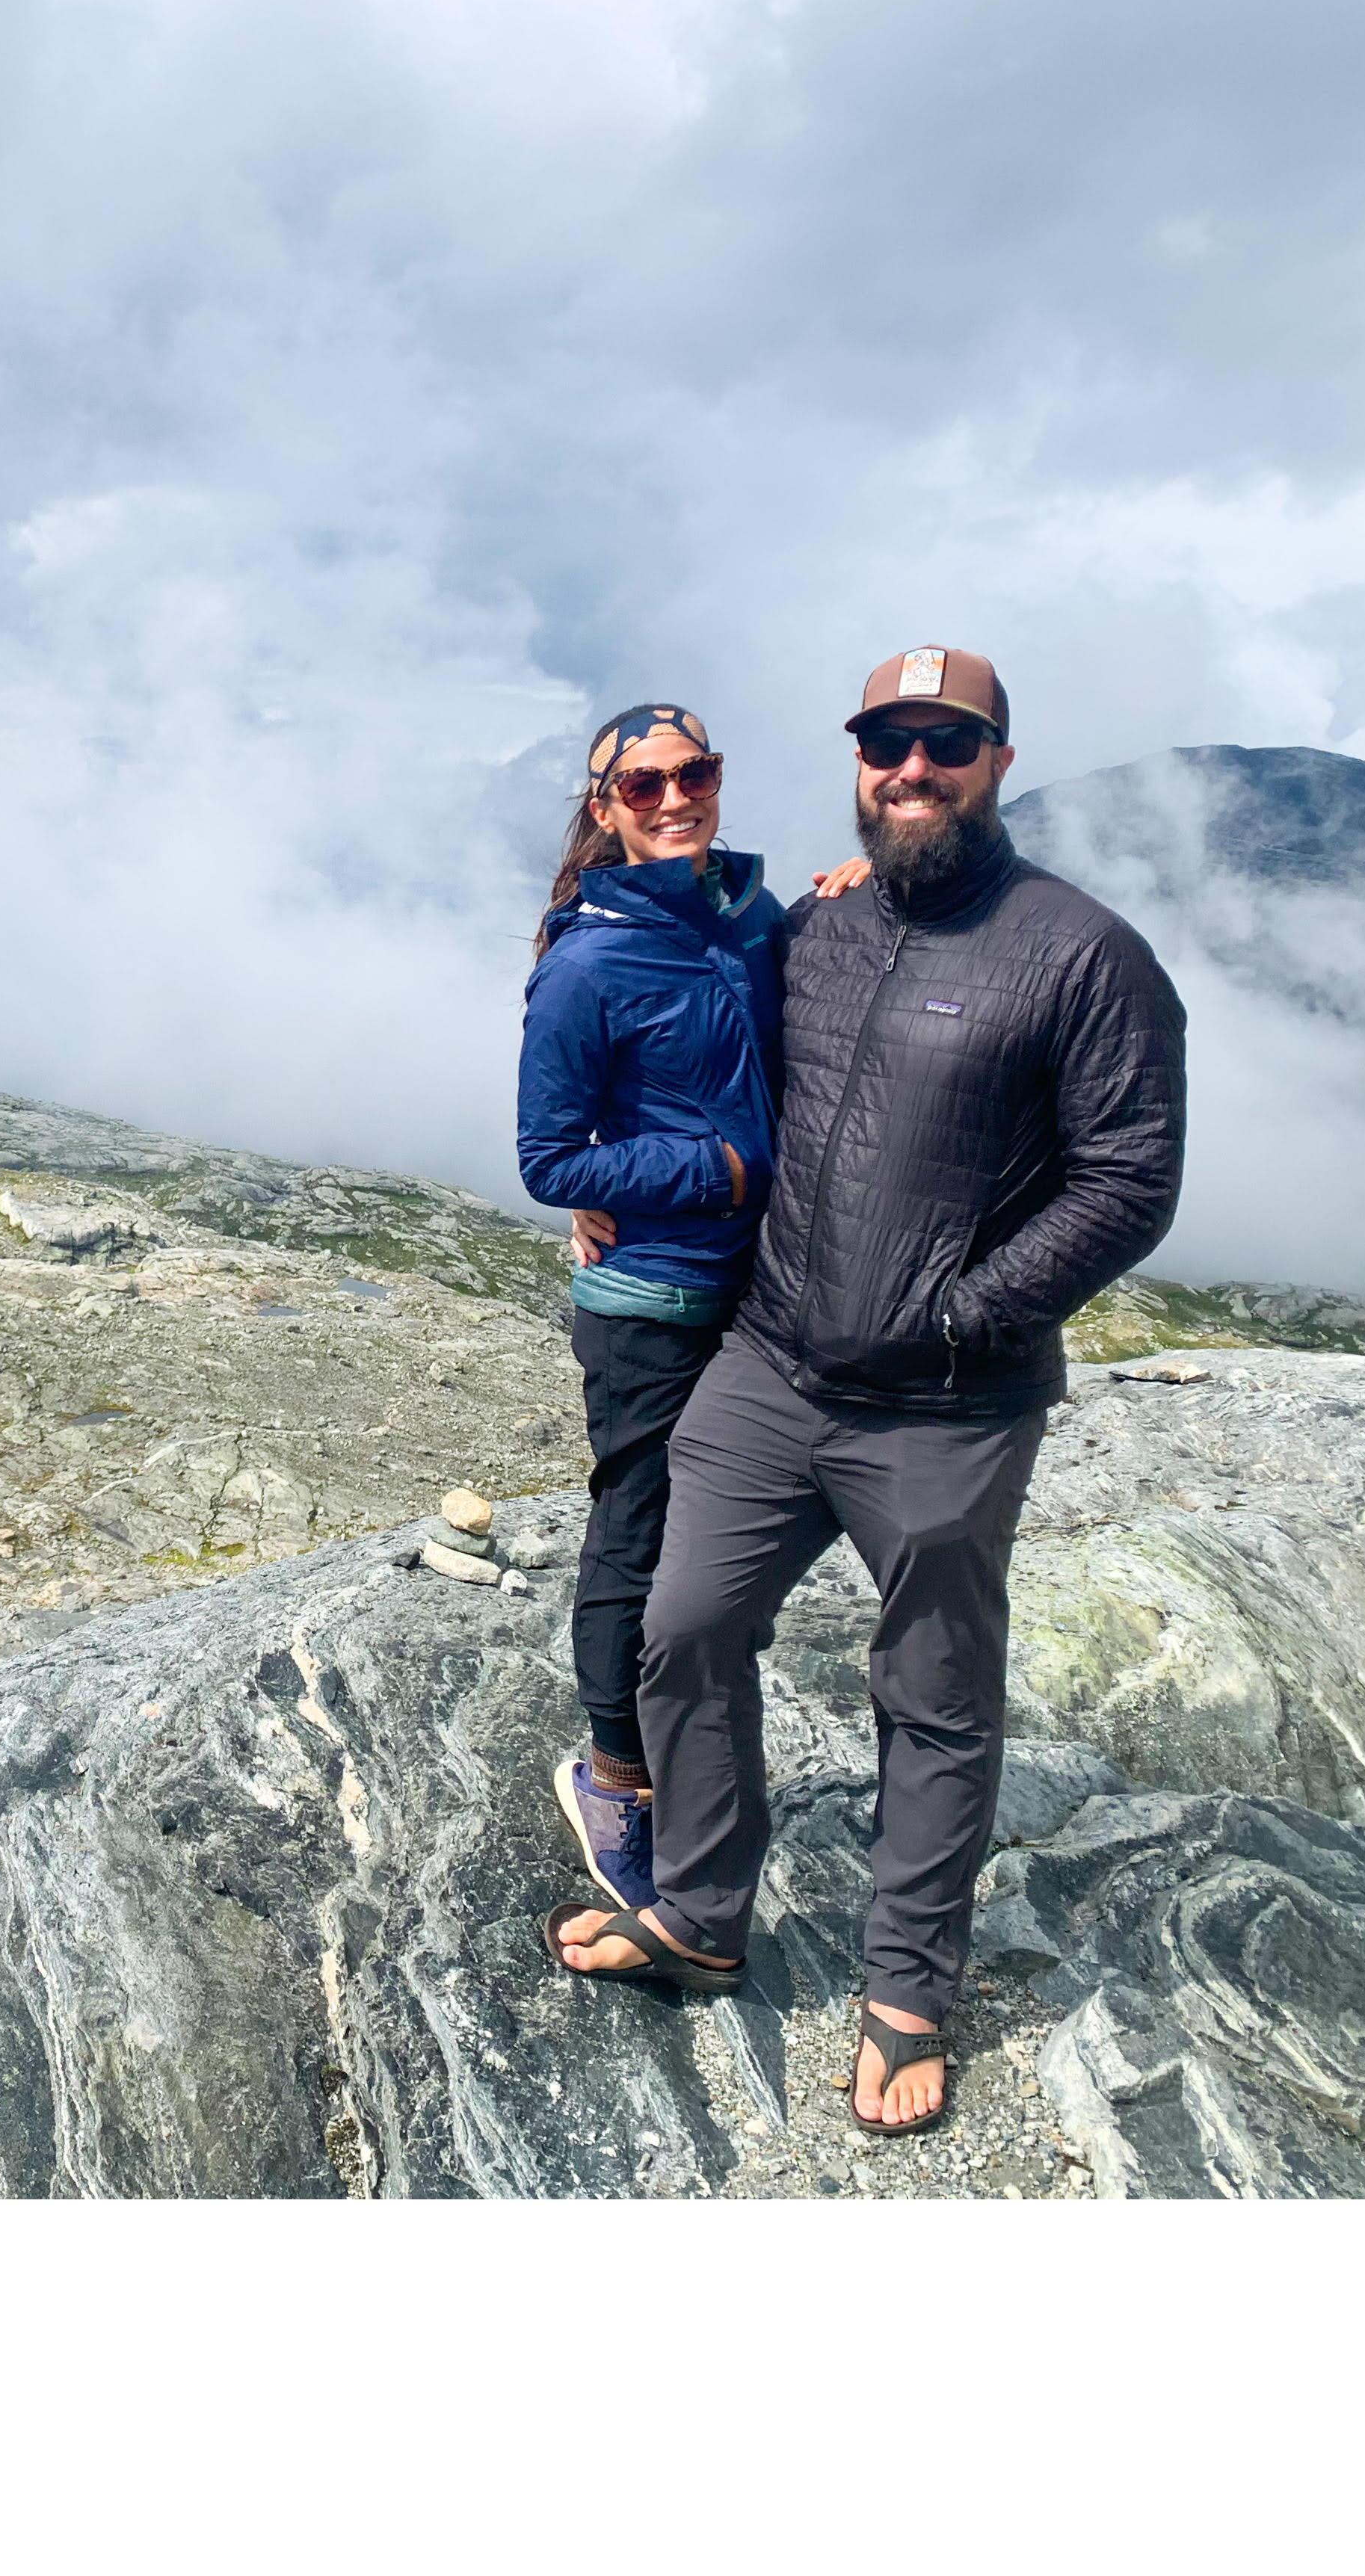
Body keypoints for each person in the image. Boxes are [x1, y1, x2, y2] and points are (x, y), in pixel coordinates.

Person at [553, 646, 1187, 2141]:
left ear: (996, 766)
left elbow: (1128, 1179)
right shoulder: (807, 932)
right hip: (772, 1369)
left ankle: (908, 1989)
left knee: (934, 1697)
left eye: (945, 747)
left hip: (947, 1409)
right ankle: (701, 1911)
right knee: (684, 1627)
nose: (914, 771)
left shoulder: (1083, 953)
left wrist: (969, 1311)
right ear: (858, 765)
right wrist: (612, 1187)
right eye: (890, 746)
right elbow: (677, 1034)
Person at [517, 705, 859, 1920]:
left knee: (722, 1538)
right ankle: (615, 1774)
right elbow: (550, 1160)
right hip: (653, 1298)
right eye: (646, 783)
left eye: (696, 773)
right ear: (604, 809)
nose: (677, 797)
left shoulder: (750, 916)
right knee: (641, 1528)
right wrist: (714, 1174)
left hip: (754, 1287)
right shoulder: (589, 963)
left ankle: (681, 1752)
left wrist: (851, 896)